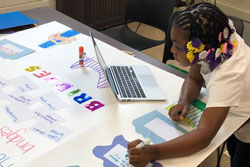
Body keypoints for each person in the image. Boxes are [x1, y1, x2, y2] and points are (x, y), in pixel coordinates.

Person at [127, 3, 250, 167]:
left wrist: (154, 152)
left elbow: (203, 136)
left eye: (178, 47)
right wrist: (184, 101)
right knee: (235, 145)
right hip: (239, 111)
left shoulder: (228, 76)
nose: (172, 50)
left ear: (200, 48)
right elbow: (194, 79)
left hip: (246, 122)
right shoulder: (216, 41)